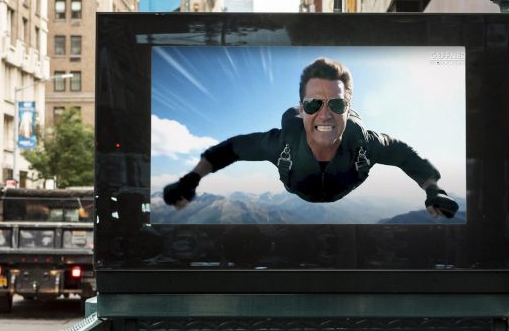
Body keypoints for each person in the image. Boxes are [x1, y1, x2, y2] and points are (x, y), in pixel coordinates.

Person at [163, 57, 459, 217]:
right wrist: (192, 179)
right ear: (303, 108)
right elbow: (232, 149)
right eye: (313, 105)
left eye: (337, 105)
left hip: (338, 171)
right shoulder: (283, 142)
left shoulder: (362, 142)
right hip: (301, 172)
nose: (325, 115)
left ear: (348, 108)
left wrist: (433, 189)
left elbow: (403, 154)